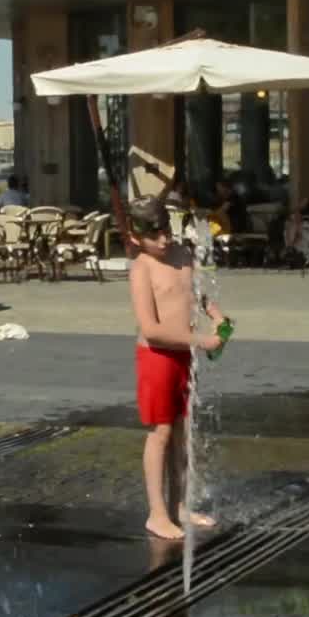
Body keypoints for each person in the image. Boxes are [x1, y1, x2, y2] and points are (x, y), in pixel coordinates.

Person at [126, 196, 226, 541]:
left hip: (183, 355)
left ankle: (180, 505)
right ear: (136, 237)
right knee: (161, 433)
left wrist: (216, 315)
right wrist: (201, 340)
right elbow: (151, 329)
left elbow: (196, 292)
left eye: (166, 231)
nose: (164, 240)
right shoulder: (142, 269)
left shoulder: (182, 254)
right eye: (154, 235)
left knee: (183, 432)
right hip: (157, 359)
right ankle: (157, 514)